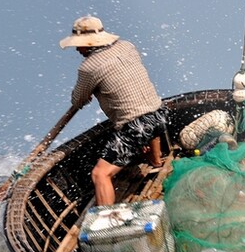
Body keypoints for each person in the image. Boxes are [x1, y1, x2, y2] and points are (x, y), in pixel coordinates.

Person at [59, 15, 167, 206]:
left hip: (137, 126)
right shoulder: (127, 46)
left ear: (88, 43)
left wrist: (87, 92)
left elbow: (77, 100)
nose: (77, 49)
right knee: (148, 124)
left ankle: (106, 223)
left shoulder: (88, 68)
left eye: (79, 45)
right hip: (160, 114)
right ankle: (156, 162)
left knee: (99, 174)